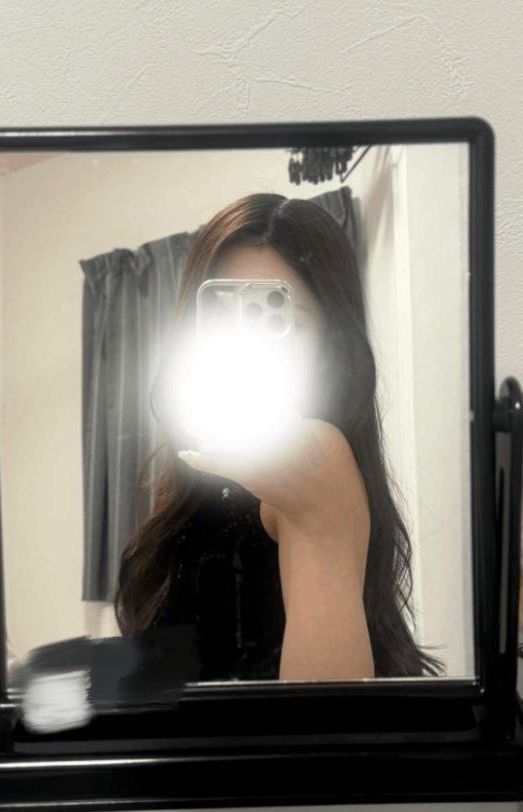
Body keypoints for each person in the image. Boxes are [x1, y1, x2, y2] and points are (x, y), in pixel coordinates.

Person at [115, 193, 445, 681]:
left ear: (331, 348)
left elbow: (319, 721)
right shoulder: (191, 488)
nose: (247, 345)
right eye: (224, 313)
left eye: (280, 318)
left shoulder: (318, 462)